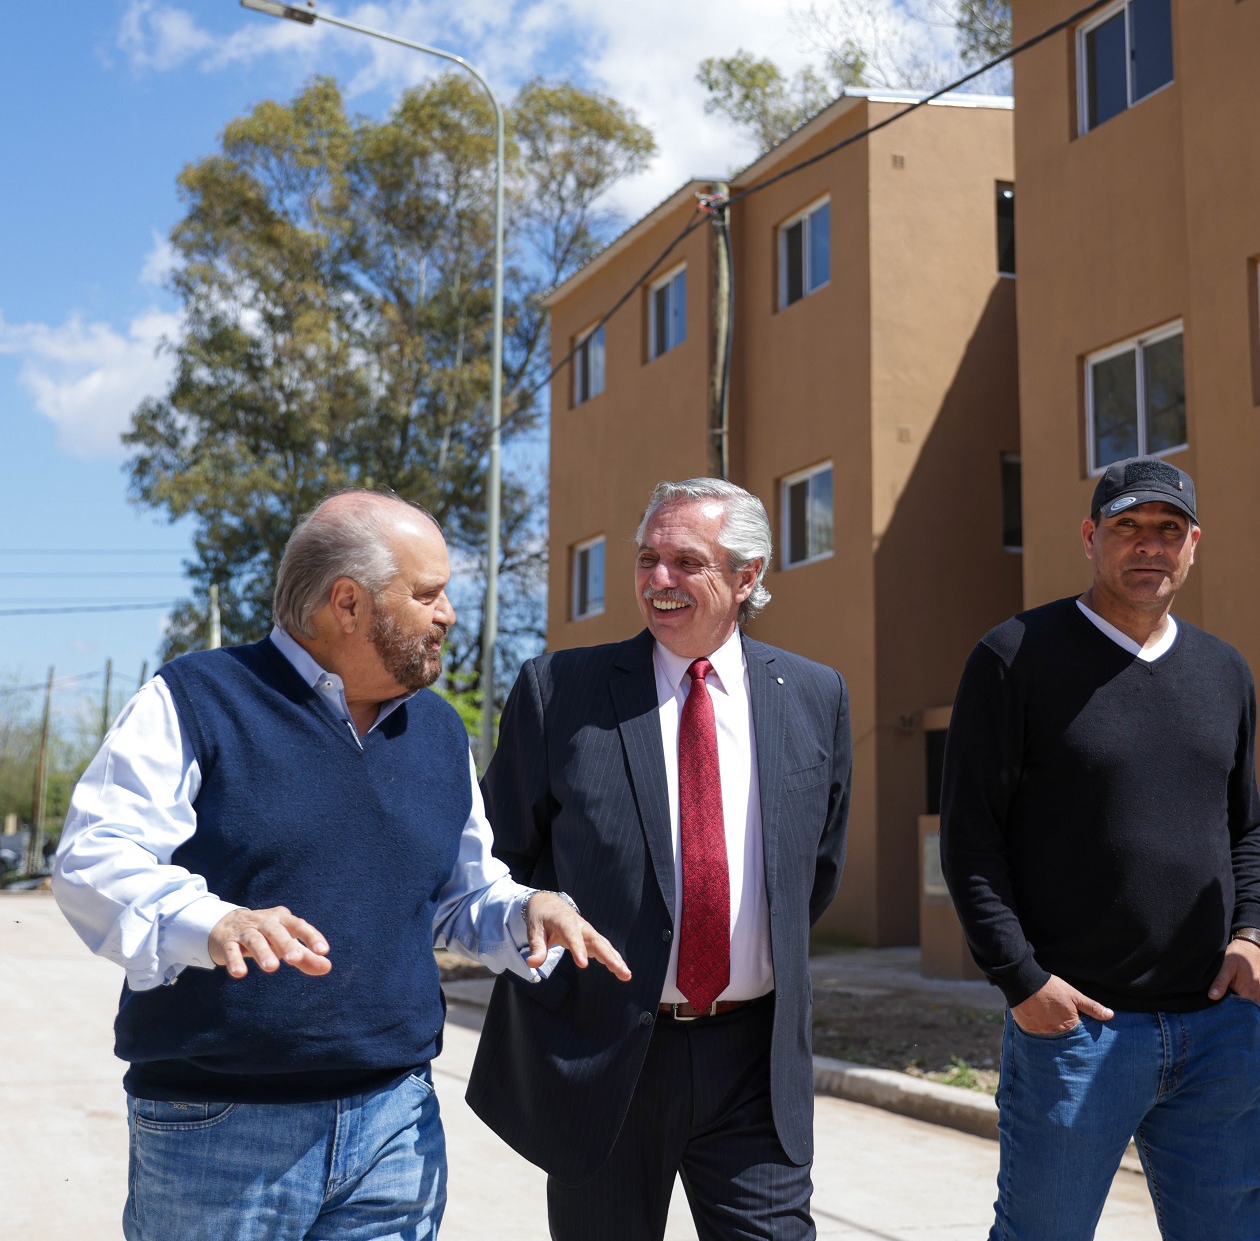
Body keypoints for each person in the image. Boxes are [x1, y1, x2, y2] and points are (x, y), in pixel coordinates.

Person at [53, 489, 625, 1241]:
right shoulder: (196, 699)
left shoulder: (441, 732)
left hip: (395, 1124)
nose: (449, 613)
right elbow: (93, 854)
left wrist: (523, 910)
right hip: (220, 1134)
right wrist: (214, 920)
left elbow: (460, 895)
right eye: (427, 594)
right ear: (347, 603)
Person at [466, 478, 851, 1241]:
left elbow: (816, 872)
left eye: (686, 560)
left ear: (748, 575)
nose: (659, 581)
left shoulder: (814, 694)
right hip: (604, 1059)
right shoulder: (560, 691)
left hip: (753, 1062)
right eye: (647, 558)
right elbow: (494, 860)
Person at [940, 456, 1260, 1241]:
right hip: (1078, 1029)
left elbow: (1246, 827)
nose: (1149, 546)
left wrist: (1254, 933)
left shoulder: (1223, 670)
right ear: (1091, 536)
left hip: (1217, 1029)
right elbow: (971, 837)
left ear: (1194, 544)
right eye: (1127, 527)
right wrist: (1021, 979)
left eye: (1168, 530)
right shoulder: (1013, 656)